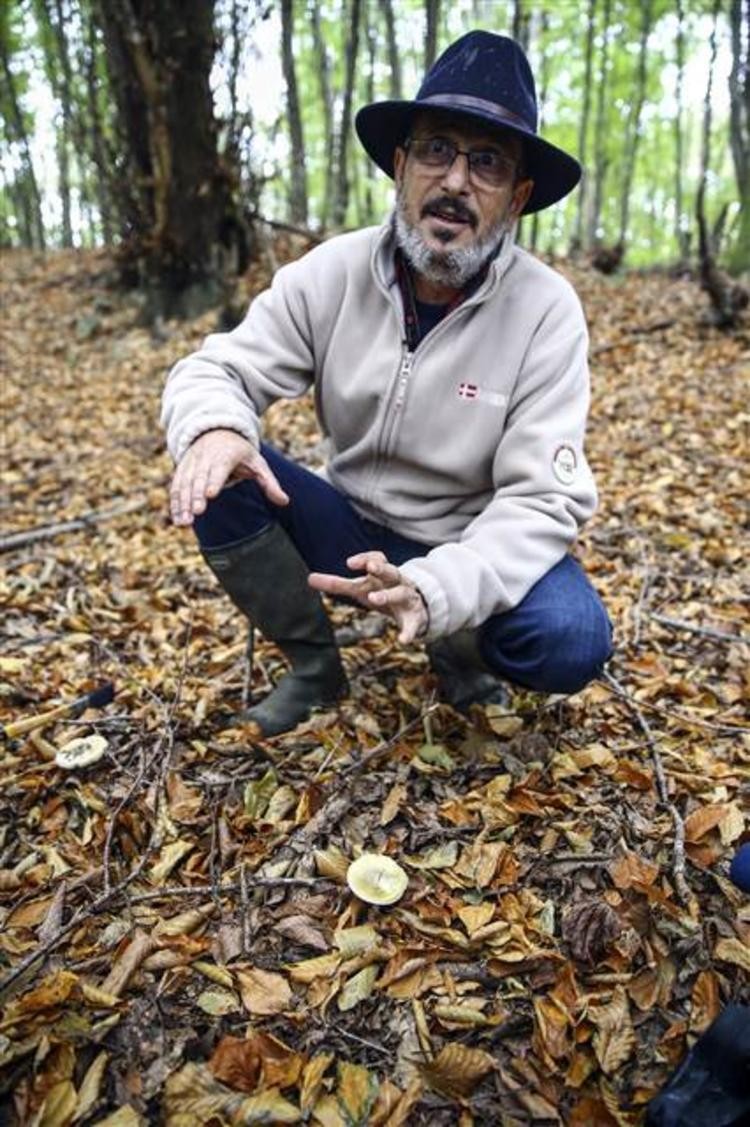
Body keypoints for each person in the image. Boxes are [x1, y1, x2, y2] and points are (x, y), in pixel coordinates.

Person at [161, 31, 613, 737]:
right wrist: (218, 425)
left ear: (518, 197)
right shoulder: (332, 272)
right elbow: (216, 368)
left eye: (487, 163)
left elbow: (542, 499)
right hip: (344, 523)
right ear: (400, 166)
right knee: (220, 460)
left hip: (467, 539)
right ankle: (314, 669)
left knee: (571, 637)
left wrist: (439, 588)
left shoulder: (546, 313)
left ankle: (461, 653)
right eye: (436, 149)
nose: (456, 182)